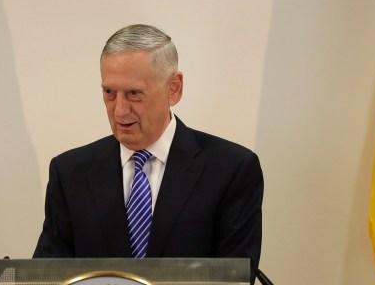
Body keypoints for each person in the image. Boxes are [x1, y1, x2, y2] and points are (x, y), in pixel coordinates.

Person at [33, 24, 263, 272]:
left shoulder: (231, 169)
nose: (119, 110)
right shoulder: (70, 173)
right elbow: (47, 279)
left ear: (173, 88)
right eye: (109, 92)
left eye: (134, 93)